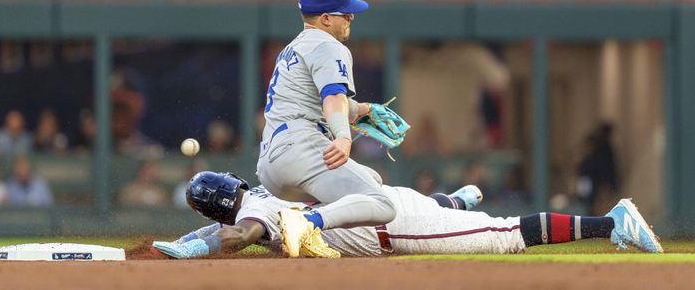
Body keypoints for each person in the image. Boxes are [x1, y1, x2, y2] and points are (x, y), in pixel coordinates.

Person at [151, 171, 662, 259]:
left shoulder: (255, 214)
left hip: (393, 226)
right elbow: (224, 227)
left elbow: (241, 234)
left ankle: (614, 222)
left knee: (505, 237)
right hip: (383, 211)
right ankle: (455, 201)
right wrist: (188, 243)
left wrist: (197, 248)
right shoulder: (260, 194)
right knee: (441, 213)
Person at [255, 0, 395, 258]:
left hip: (271, 162)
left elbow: (323, 101)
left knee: (370, 180)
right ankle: (306, 223)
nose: (351, 17)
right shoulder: (329, 45)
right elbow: (332, 98)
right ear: (327, 18)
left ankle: (294, 228)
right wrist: (343, 137)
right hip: (302, 147)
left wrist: (363, 110)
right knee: (383, 204)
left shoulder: (293, 48)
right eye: (346, 13)